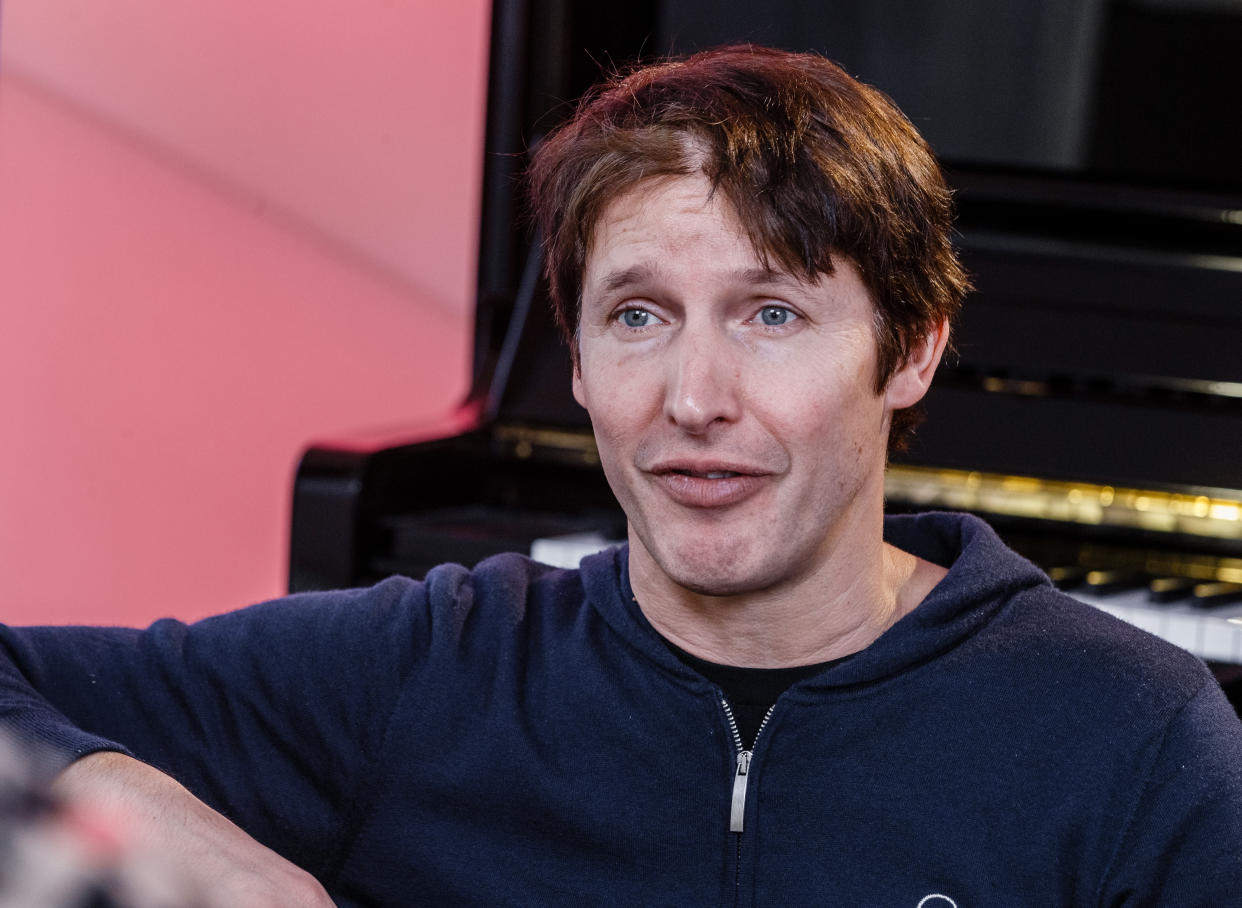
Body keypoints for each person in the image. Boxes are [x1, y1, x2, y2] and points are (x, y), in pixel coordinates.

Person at [2, 45, 1240, 907]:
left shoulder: (1134, 735)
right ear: (578, 361)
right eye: (639, 316)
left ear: (911, 347)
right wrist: (133, 808)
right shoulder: (424, 670)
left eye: (770, 314)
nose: (693, 399)